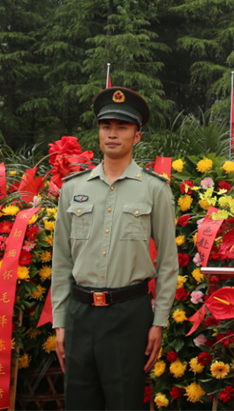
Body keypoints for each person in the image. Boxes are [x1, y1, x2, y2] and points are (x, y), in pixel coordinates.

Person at [52, 86, 178, 410]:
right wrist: (60, 322)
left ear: (137, 136)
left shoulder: (155, 190)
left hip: (129, 315)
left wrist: (159, 322)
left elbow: (168, 262)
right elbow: (62, 260)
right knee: (79, 402)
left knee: (125, 403)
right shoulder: (73, 189)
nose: (112, 134)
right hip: (80, 315)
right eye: (106, 126)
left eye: (122, 127)